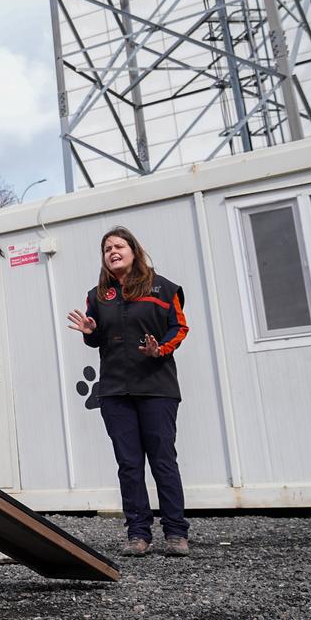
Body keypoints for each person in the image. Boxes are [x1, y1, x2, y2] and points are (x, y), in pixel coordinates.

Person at [67, 226, 191, 558]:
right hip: (114, 391)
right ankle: (138, 534)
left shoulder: (164, 288)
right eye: (107, 248)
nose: (112, 251)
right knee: (129, 463)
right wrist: (90, 332)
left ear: (133, 250)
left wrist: (159, 350)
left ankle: (176, 533)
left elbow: (179, 328)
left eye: (118, 245)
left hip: (156, 388)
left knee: (163, 460)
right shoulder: (97, 295)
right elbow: (96, 337)